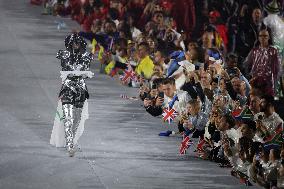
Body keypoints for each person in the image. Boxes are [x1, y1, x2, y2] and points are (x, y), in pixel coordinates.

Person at [50, 33, 94, 157]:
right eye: (73, 42)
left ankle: (72, 140)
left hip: (80, 89)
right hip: (67, 88)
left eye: (78, 42)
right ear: (69, 43)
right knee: (68, 117)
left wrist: (82, 73)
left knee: (77, 118)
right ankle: (70, 144)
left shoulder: (87, 56)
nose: (76, 45)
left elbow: (83, 71)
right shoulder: (63, 54)